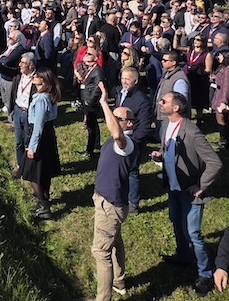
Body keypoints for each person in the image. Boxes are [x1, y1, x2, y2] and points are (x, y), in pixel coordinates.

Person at [152, 91, 222, 297]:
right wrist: (161, 155)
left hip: (190, 192)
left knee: (193, 233)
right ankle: (183, 255)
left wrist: (201, 185)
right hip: (173, 187)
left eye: (164, 101)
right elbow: (169, 151)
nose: (159, 103)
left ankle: (205, 273)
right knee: (176, 221)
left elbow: (215, 162)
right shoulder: (166, 125)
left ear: (176, 107)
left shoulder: (192, 132)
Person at [91, 95, 135, 299]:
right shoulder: (118, 139)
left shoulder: (126, 143)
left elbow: (117, 133)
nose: (112, 120)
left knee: (101, 252)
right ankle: (118, 280)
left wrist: (103, 103)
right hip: (109, 201)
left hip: (109, 205)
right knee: (115, 242)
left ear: (129, 123)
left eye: (118, 118)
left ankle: (103, 298)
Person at [20, 67, 61, 220]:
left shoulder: (42, 99)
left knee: (32, 174)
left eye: (36, 76)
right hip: (47, 136)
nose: (34, 77)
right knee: (43, 172)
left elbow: (38, 125)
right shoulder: (47, 96)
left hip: (40, 138)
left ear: (43, 80)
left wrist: (32, 146)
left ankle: (43, 204)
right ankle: (44, 196)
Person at [114, 67, 153, 214]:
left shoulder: (142, 101)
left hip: (133, 141)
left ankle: (133, 203)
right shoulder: (121, 92)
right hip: (119, 137)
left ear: (135, 81)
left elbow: (145, 127)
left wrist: (132, 141)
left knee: (132, 170)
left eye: (127, 79)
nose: (124, 81)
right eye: (122, 78)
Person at [10, 53, 37, 176]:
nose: (20, 65)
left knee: (29, 141)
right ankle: (20, 166)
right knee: (18, 141)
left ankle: (30, 168)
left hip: (28, 114)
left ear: (30, 66)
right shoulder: (19, 76)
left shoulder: (37, 79)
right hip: (18, 110)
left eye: (23, 63)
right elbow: (6, 71)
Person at [79, 44, 106, 158]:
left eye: (89, 54)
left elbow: (98, 88)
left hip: (91, 102)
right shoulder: (90, 69)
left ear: (96, 58)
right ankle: (95, 144)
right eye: (86, 53)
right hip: (86, 99)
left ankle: (90, 149)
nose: (86, 55)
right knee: (92, 124)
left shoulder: (97, 71)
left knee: (91, 125)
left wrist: (89, 101)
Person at [180, 34, 212, 125]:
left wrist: (198, 70)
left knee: (198, 100)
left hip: (199, 79)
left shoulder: (206, 54)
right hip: (188, 76)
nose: (195, 41)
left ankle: (199, 119)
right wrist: (177, 37)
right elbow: (176, 47)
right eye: (195, 39)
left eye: (198, 40)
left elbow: (208, 69)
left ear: (203, 42)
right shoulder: (190, 50)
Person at [211, 51, 229, 147]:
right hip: (220, 94)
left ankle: (224, 139)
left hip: (223, 96)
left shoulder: (228, 70)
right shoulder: (223, 68)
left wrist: (223, 101)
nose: (218, 57)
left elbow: (227, 86)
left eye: (220, 56)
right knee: (225, 120)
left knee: (221, 119)